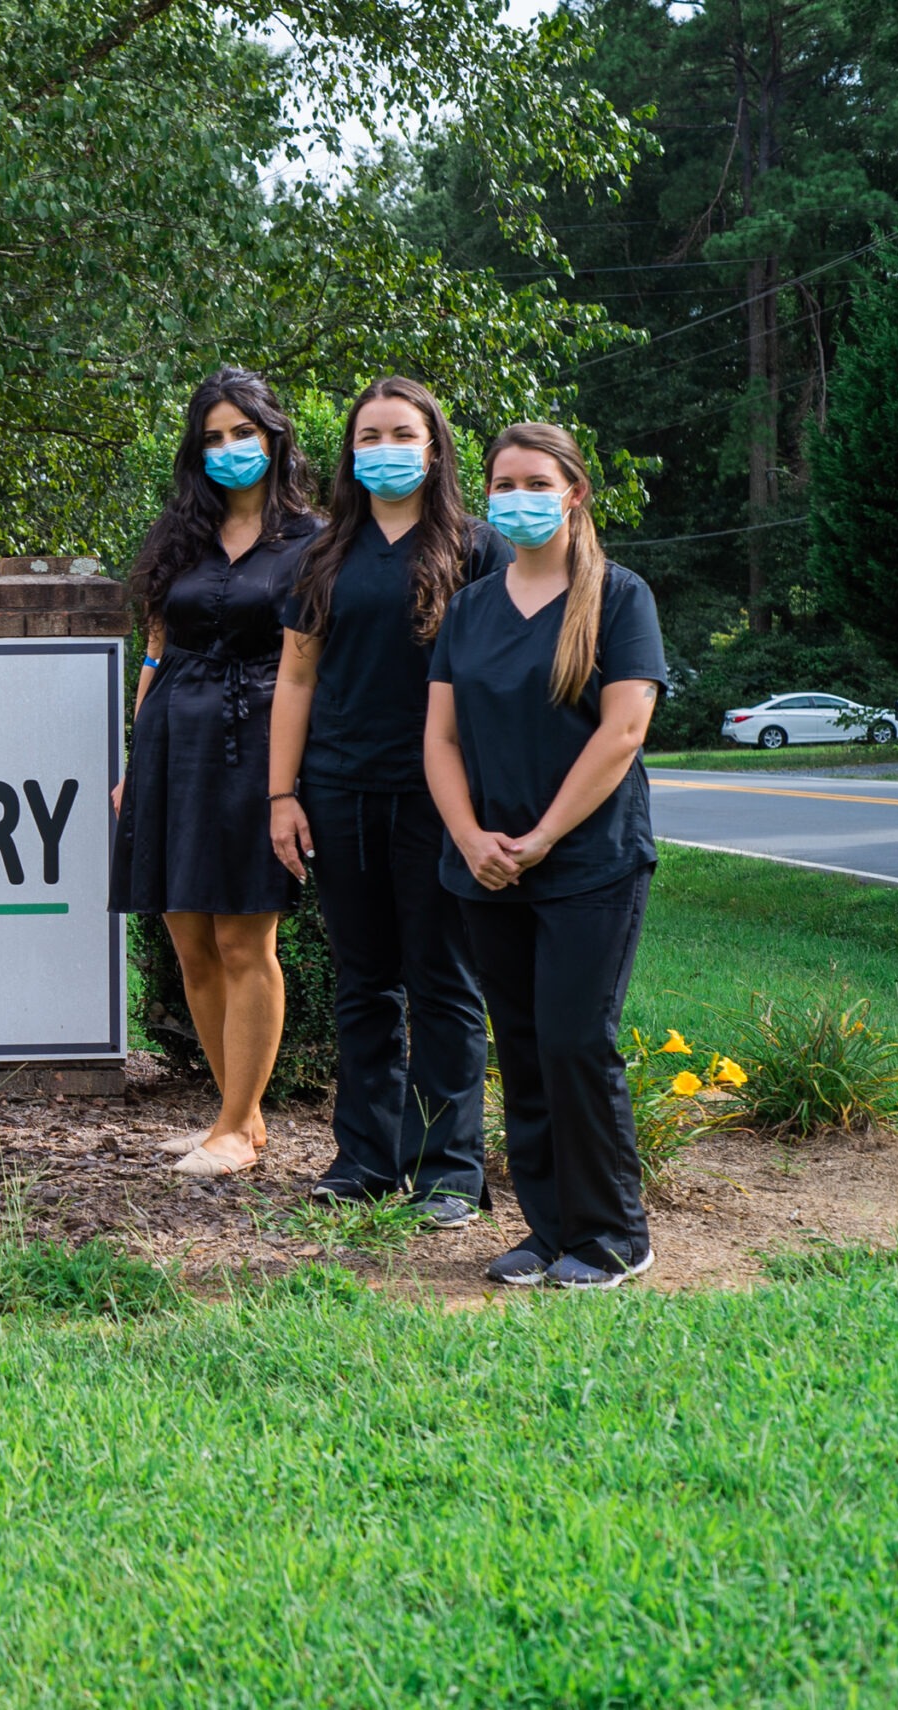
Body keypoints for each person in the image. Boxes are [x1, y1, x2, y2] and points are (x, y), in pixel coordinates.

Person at [427, 422, 667, 1290]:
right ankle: (549, 1229)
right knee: (523, 1048)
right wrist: (470, 838)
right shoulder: (471, 607)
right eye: (503, 484)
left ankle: (614, 1237)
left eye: (535, 483)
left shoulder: (620, 598)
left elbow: (624, 731)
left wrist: (541, 837)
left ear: (573, 493)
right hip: (487, 869)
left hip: (589, 865)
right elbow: (440, 740)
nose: (516, 499)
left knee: (575, 1042)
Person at [268, 377, 510, 1225]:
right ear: (349, 453)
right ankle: (365, 1159)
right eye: (367, 436)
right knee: (365, 986)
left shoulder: (479, 551)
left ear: (435, 446)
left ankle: (450, 1172)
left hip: (442, 801)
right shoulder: (322, 556)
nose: (384, 450)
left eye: (401, 433)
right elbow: (295, 677)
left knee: (442, 984)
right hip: (338, 791)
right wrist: (280, 795)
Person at [110, 367, 321, 1178]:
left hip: (259, 747)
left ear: (275, 436)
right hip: (172, 744)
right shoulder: (179, 538)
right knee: (188, 939)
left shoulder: (313, 541)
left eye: (243, 433)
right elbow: (156, 653)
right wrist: (136, 763)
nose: (230, 450)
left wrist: (290, 784)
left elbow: (309, 670)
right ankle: (239, 1118)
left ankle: (235, 1128)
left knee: (243, 937)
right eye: (213, 438)